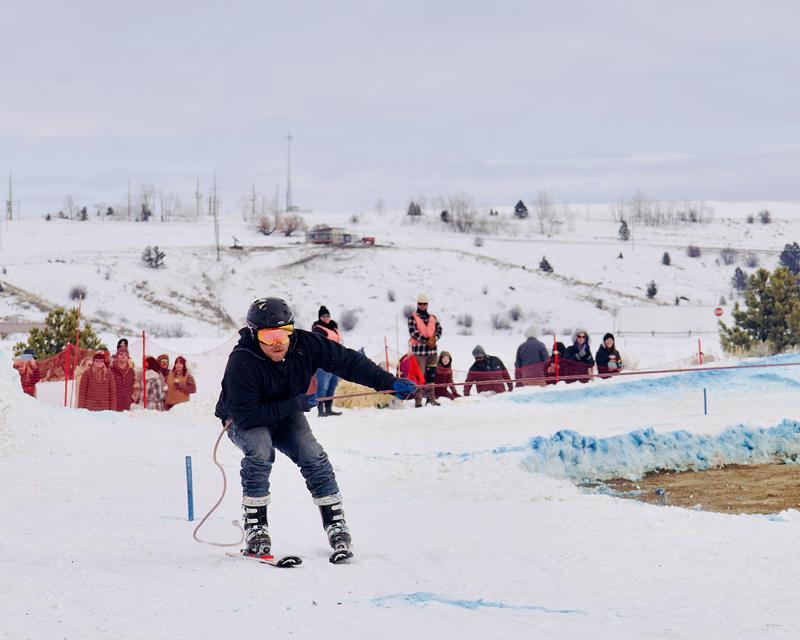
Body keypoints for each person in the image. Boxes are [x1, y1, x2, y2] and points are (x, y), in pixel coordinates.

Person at [215, 297, 416, 558]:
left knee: (313, 454)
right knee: (261, 451)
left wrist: (388, 383)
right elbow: (247, 416)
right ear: (255, 334)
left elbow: (349, 362)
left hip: (285, 412)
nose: (277, 343)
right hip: (244, 418)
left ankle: (336, 524)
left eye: (283, 334)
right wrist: (295, 404)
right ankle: (256, 528)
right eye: (268, 336)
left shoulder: (306, 344)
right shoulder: (242, 361)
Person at [407, 293, 443, 407]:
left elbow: (439, 330)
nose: (422, 305)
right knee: (419, 376)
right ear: (417, 304)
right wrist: (427, 340)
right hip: (419, 353)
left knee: (431, 376)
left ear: (427, 304)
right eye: (420, 303)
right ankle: (418, 401)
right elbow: (413, 332)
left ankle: (431, 398)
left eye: (424, 303)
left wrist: (434, 338)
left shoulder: (433, 318)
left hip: (432, 352)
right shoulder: (412, 318)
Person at [311, 305, 343, 417]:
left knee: (332, 385)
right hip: (324, 363)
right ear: (320, 317)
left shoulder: (334, 328)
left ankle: (329, 409)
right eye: (323, 316)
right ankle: (321, 410)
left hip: (336, 362)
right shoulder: (318, 329)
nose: (326, 318)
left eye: (327, 316)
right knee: (322, 386)